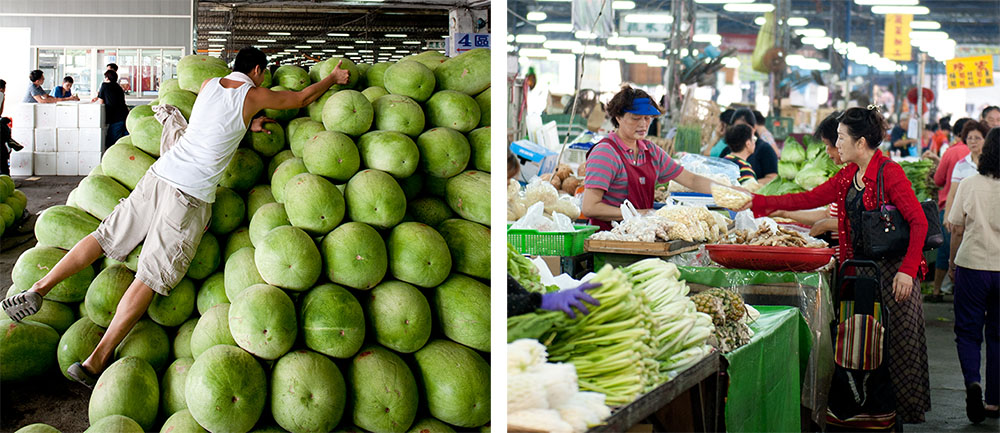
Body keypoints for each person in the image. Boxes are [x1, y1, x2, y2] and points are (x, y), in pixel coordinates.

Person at [0, 47, 351, 387]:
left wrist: (249, 124)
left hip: (159, 174)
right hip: (189, 195)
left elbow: (214, 125)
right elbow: (303, 97)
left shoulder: (208, 85)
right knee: (151, 275)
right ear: (257, 71)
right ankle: (95, 361)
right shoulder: (253, 95)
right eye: (262, 76)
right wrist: (333, 76)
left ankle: (38, 288)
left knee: (104, 237)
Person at [744, 105, 931, 424]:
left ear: (861, 143)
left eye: (842, 137)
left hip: (893, 275)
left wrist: (907, 271)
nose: (837, 143)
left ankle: (893, 418)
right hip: (860, 275)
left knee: (896, 351)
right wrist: (760, 203)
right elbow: (808, 198)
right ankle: (868, 413)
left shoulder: (890, 173)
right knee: (865, 347)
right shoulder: (849, 175)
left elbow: (919, 222)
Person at [582, 86, 735, 231]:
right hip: (607, 241)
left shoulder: (651, 151)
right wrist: (642, 214)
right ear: (618, 117)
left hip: (642, 237)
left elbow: (691, 180)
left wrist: (729, 193)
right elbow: (590, 207)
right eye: (635, 118)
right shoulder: (606, 153)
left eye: (647, 118)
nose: (643, 124)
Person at [947, 126, 1000, 423]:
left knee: (968, 332)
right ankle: (994, 402)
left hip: (972, 265)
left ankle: (972, 383)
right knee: (998, 335)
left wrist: (953, 263)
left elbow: (956, 228)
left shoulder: (970, 184)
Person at [768, 112, 843, 239]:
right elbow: (827, 214)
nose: (826, 151)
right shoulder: (845, 176)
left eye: (828, 145)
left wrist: (825, 225)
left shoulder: (865, 178)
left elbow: (862, 223)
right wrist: (784, 212)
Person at [944, 121, 989, 230]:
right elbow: (952, 193)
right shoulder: (960, 165)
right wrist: (947, 216)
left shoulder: (991, 163)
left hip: (987, 215)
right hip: (966, 217)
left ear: (985, 140)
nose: (973, 141)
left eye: (977, 138)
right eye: (969, 138)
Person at [720, 108, 779, 184]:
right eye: (738, 128)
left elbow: (772, 178)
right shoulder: (726, 151)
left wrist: (751, 184)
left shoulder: (765, 149)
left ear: (754, 128)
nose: (741, 131)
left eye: (745, 128)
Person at [94, 70, 129, 148]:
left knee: (112, 143)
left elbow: (101, 103)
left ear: (106, 78)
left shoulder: (104, 86)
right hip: (125, 116)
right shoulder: (118, 87)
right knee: (124, 141)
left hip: (115, 118)